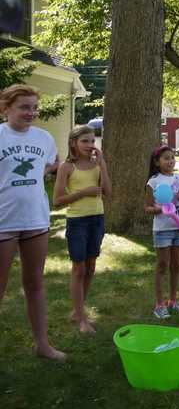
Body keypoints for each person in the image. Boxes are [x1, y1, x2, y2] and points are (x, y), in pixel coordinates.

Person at [0, 84, 65, 360]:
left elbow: (51, 165)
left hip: (36, 219)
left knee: (35, 283)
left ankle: (42, 344)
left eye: (35, 107)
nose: (31, 112)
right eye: (24, 107)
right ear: (6, 109)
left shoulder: (45, 138)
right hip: (3, 221)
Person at [53, 125, 111, 333]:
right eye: (84, 141)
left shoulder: (97, 165)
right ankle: (81, 319)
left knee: (91, 266)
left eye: (92, 141)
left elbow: (108, 191)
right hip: (77, 221)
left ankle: (78, 311)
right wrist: (83, 192)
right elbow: (57, 200)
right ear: (73, 143)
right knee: (79, 269)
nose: (89, 145)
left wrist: (102, 164)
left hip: (97, 219)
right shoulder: (66, 167)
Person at [145, 146, 179, 319]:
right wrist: (161, 209)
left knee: (176, 266)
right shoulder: (154, 181)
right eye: (166, 158)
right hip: (163, 230)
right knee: (162, 265)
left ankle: (173, 300)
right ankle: (159, 304)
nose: (170, 161)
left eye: (172, 157)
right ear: (157, 162)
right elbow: (147, 208)